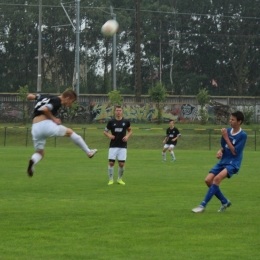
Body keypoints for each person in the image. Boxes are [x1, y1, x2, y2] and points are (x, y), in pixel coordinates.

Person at [27, 89, 97, 177]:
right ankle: (88, 152)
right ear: (67, 98)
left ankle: (33, 161)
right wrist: (54, 119)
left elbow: (30, 96)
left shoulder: (47, 96)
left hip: (35, 127)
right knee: (70, 132)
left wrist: (31, 97)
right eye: (72, 101)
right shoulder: (57, 100)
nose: (71, 104)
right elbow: (45, 109)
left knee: (40, 152)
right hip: (45, 124)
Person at [192, 111, 247, 213]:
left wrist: (226, 137)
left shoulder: (243, 135)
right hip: (224, 160)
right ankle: (224, 201)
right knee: (208, 180)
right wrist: (220, 151)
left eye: (233, 120)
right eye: (230, 119)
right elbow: (224, 147)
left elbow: (235, 152)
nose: (230, 121)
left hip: (233, 162)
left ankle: (202, 205)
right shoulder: (227, 131)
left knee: (217, 179)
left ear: (239, 122)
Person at [103, 105, 132, 185]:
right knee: (111, 163)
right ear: (115, 112)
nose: (118, 112)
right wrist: (109, 135)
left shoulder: (126, 122)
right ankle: (111, 179)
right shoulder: (111, 122)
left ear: (122, 112)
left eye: (120, 110)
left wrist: (127, 136)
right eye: (117, 110)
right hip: (113, 145)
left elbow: (130, 131)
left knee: (121, 164)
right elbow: (105, 131)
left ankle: (119, 179)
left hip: (122, 146)